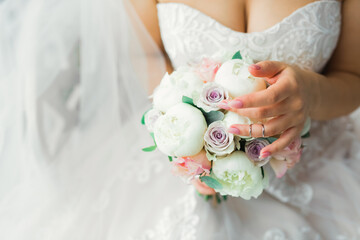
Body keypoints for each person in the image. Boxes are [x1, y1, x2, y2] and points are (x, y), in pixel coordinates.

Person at [0, 0, 359, 239]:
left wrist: (310, 95)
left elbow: (353, 77)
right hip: (170, 178)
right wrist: (185, 142)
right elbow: (143, 51)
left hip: (322, 173)